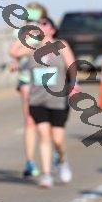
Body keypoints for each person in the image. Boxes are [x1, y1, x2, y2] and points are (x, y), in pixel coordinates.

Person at [23, 16, 78, 188]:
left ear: (53, 29)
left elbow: (72, 66)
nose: (40, 26)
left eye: (44, 24)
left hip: (58, 100)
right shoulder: (31, 47)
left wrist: (74, 84)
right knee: (44, 137)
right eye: (38, 24)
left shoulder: (61, 45)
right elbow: (13, 52)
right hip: (37, 100)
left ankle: (62, 161)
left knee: (58, 140)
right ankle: (46, 175)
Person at [9, 2, 48, 178]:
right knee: (30, 121)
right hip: (27, 80)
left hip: (47, 81)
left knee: (47, 122)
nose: (33, 23)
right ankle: (30, 161)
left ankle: (55, 151)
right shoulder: (20, 34)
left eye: (36, 20)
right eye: (29, 19)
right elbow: (14, 51)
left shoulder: (47, 33)